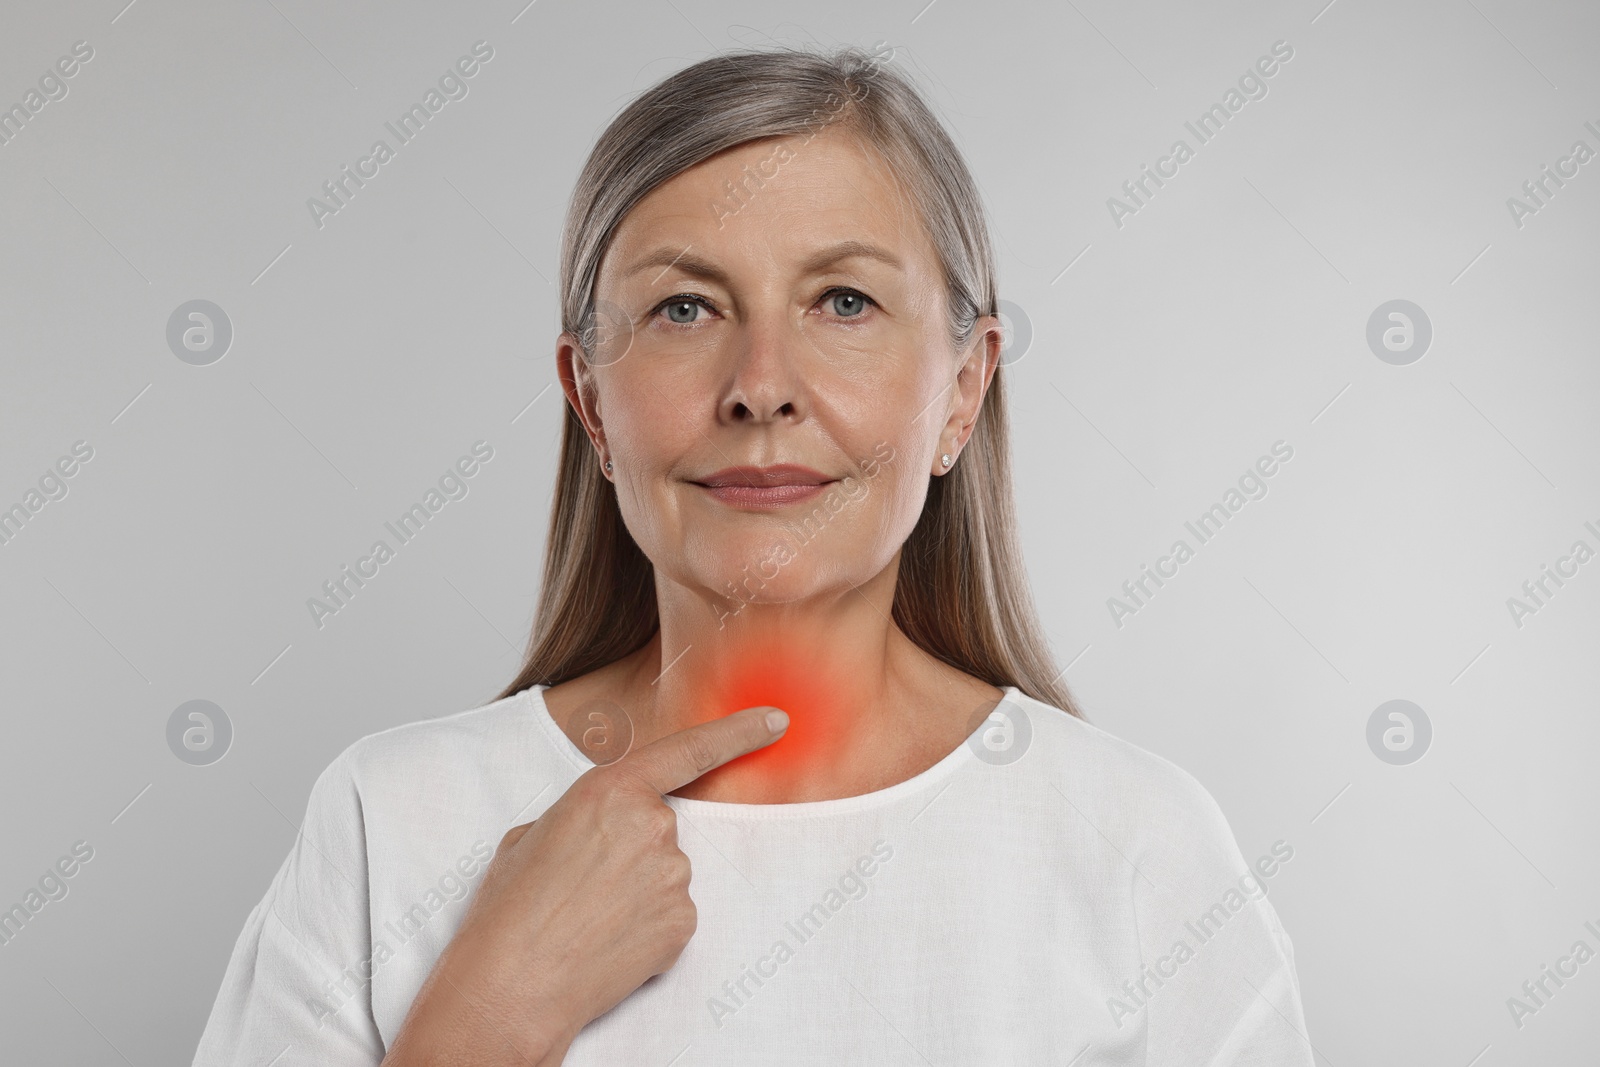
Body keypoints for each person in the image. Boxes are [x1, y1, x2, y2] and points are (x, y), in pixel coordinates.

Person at [192, 45, 1313, 1066]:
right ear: (589, 397)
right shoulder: (389, 822)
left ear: (962, 390)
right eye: (684, 307)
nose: (760, 383)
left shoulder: (1139, 848)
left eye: (843, 300)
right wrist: (486, 1016)